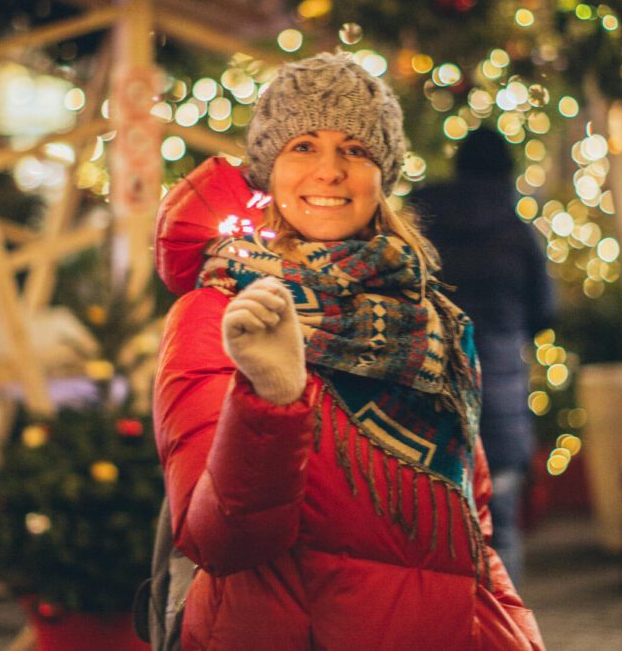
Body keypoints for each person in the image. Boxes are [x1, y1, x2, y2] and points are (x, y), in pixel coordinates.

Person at [152, 52, 544, 650]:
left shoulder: (433, 318)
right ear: (269, 171)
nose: (330, 171)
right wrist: (271, 400)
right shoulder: (221, 314)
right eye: (303, 146)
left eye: (355, 150)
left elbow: (472, 533)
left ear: (382, 174)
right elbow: (221, 542)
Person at [412, 127, 555, 585]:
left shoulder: (420, 224)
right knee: (501, 526)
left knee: (432, 530)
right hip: (499, 390)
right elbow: (545, 310)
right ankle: (503, 617)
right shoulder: (516, 232)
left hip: (428, 390)